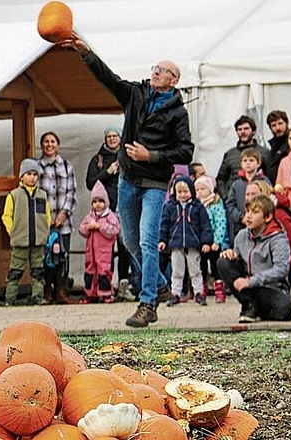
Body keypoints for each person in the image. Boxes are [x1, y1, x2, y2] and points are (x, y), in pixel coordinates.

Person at [63, 33, 194, 328]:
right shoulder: (136, 93)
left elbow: (186, 151)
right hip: (128, 179)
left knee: (148, 242)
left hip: (155, 183)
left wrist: (152, 155)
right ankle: (160, 285)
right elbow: (108, 79)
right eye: (155, 68)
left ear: (173, 80)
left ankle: (147, 304)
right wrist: (87, 54)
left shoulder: (178, 113)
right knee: (131, 241)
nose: (155, 72)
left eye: (162, 71)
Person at [218, 194, 291, 323]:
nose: (248, 216)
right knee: (223, 262)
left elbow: (281, 269)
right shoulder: (242, 235)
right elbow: (238, 258)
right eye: (247, 211)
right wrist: (231, 253)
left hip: (270, 288)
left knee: (285, 309)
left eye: (255, 212)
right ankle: (249, 306)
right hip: (248, 288)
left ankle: (258, 310)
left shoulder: (278, 239)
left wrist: (252, 281)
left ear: (268, 217)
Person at [85, 126, 134, 301]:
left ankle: (123, 284)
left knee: (124, 248)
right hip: (103, 211)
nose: (112, 139)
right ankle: (103, 287)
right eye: (109, 136)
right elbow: (90, 183)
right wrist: (108, 172)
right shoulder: (98, 159)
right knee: (102, 251)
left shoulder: (127, 156)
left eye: (115, 136)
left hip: (124, 207)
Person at [1, 159, 51, 307]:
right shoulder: (14, 195)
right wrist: (12, 231)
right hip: (20, 240)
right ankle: (10, 298)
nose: (32, 177)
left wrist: (45, 230)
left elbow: (47, 216)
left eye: (35, 174)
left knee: (38, 271)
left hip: (38, 241)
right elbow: (6, 216)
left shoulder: (42, 195)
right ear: (21, 176)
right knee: (15, 271)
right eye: (29, 174)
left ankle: (38, 296)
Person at [36, 131, 77, 305]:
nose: (49, 145)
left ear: (58, 145)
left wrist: (63, 214)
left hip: (63, 223)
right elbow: (35, 193)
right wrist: (44, 217)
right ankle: (47, 291)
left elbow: (71, 193)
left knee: (62, 257)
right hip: (43, 223)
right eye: (46, 142)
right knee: (45, 258)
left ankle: (61, 290)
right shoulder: (36, 166)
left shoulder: (67, 166)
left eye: (53, 141)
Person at [159, 176, 212, 306]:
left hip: (193, 244)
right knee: (177, 271)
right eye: (180, 192)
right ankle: (175, 293)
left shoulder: (197, 206)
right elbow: (164, 225)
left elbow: (205, 225)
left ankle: (199, 293)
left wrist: (206, 242)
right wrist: (162, 240)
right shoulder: (170, 207)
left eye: (186, 192)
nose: (183, 195)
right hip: (176, 245)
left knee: (195, 270)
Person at [79, 180, 120, 304]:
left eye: (101, 201)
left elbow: (115, 229)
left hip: (105, 253)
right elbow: (81, 229)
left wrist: (100, 227)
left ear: (106, 202)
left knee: (104, 272)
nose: (98, 204)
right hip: (90, 252)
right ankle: (91, 294)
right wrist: (88, 228)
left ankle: (106, 294)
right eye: (95, 202)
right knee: (90, 272)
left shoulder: (110, 216)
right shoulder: (90, 216)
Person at [216, 115, 270, 200]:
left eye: (246, 129)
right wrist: (226, 197)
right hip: (235, 200)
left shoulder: (264, 153)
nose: (242, 132)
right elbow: (221, 179)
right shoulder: (230, 154)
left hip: (258, 201)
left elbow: (270, 177)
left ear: (253, 131)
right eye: (239, 129)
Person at [194, 175, 229, 301]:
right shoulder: (196, 206)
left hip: (214, 242)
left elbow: (220, 224)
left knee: (215, 266)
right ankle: (201, 288)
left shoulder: (216, 205)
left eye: (202, 189)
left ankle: (219, 288)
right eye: (197, 190)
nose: (199, 192)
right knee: (201, 266)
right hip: (201, 243)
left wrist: (217, 241)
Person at [225, 148, 271, 241]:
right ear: (241, 164)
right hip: (240, 226)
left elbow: (268, 201)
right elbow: (230, 204)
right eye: (245, 160)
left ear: (258, 163)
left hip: (260, 224)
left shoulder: (264, 181)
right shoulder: (236, 184)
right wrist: (241, 217)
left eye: (251, 160)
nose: (248, 163)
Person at [266, 110, 290, 184]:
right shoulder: (272, 146)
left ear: (287, 123)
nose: (278, 128)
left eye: (280, 123)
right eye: (274, 125)